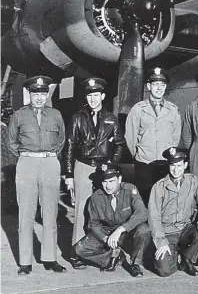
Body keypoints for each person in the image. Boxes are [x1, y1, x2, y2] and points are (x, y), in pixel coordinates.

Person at [64, 78, 125, 269]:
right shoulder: (78, 118)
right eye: (90, 95)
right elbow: (70, 146)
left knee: (103, 211)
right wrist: (69, 175)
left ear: (103, 96)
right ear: (86, 97)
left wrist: (111, 164)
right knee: (82, 208)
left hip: (104, 169)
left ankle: (101, 251)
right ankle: (76, 253)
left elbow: (119, 145)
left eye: (96, 95)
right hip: (83, 166)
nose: (93, 99)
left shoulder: (111, 119)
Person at [8, 76, 66, 275]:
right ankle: (25, 262)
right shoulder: (19, 115)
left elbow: (61, 140)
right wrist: (28, 156)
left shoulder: (56, 114)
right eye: (36, 94)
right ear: (29, 94)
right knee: (26, 212)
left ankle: (50, 258)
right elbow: (12, 142)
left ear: (46, 95)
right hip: (27, 162)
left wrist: (47, 156)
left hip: (50, 161)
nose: (39, 98)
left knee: (50, 211)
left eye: (43, 94)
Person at [73, 163, 150, 277]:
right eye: (105, 182)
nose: (108, 186)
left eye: (111, 181)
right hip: (107, 233)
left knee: (144, 229)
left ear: (119, 179)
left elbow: (142, 213)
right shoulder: (96, 197)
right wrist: (105, 238)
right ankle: (114, 257)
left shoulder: (130, 189)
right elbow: (93, 224)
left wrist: (121, 229)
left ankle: (135, 264)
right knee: (79, 249)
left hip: (126, 232)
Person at [148, 147, 198, 277]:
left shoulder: (193, 181)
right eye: (172, 165)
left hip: (185, 229)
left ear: (185, 165)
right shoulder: (159, 186)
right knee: (164, 270)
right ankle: (173, 253)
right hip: (167, 232)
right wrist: (161, 242)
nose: (176, 169)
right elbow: (153, 217)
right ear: (168, 166)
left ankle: (186, 259)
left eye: (179, 165)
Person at [125, 67, 182, 204]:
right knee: (145, 199)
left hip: (164, 162)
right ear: (149, 86)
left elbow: (176, 136)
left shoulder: (172, 110)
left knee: (165, 199)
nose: (159, 88)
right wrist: (139, 155)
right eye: (155, 84)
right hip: (145, 163)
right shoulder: (138, 109)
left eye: (162, 84)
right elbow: (130, 136)